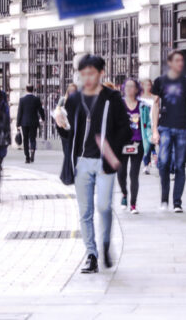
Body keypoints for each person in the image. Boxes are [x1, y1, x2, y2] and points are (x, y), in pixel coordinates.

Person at [54, 54, 131, 273]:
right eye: (83, 73)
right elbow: (69, 133)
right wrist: (61, 125)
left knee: (104, 207)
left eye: (91, 73)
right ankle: (91, 254)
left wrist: (111, 149)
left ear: (101, 73)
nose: (87, 78)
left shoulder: (113, 98)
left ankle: (105, 245)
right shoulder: (75, 99)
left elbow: (125, 129)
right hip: (82, 163)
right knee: (85, 212)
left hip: (104, 163)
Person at [151, 50, 186, 213]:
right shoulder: (160, 81)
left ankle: (177, 202)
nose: (180, 63)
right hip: (164, 128)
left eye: (182, 61)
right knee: (163, 163)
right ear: (170, 63)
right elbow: (155, 106)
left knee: (179, 165)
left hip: (182, 128)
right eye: (177, 60)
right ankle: (164, 199)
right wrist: (154, 130)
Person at [118, 79, 147, 214]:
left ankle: (133, 204)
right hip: (122, 142)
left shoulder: (142, 106)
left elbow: (147, 123)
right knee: (121, 173)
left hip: (137, 142)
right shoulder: (119, 104)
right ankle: (124, 193)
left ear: (137, 89)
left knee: (134, 174)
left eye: (132, 86)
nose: (129, 89)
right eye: (127, 86)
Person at [17, 85, 45, 163]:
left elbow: (20, 112)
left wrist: (18, 124)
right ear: (33, 90)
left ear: (26, 89)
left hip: (24, 122)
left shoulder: (22, 100)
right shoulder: (36, 99)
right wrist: (43, 118)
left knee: (25, 139)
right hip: (33, 122)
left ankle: (27, 157)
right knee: (32, 138)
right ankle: (32, 152)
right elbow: (41, 110)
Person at [139, 78, 156, 175]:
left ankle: (149, 162)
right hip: (143, 124)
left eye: (150, 85)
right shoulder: (140, 98)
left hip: (152, 123)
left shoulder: (154, 97)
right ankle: (147, 163)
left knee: (150, 143)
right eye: (146, 85)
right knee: (146, 144)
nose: (148, 87)